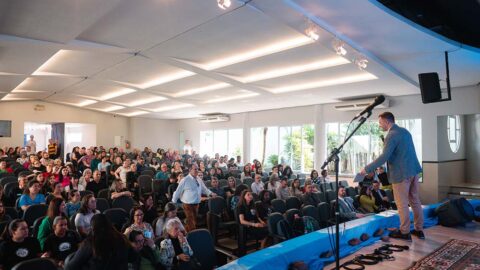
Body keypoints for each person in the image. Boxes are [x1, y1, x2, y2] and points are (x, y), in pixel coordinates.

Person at [361, 112, 424, 240]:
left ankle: (405, 232)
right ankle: (419, 230)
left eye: (380, 122)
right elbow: (402, 153)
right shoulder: (405, 131)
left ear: (386, 121)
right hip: (413, 171)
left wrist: (366, 169)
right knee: (415, 201)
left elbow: (384, 157)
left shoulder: (391, 135)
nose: (379, 125)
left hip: (401, 174)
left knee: (402, 203)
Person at [64, 214, 135, 270]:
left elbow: (71, 266)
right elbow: (133, 257)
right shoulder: (122, 238)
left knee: (69, 260)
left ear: (93, 228)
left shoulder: (90, 242)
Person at [171, 166, 216, 232]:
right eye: (195, 169)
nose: (196, 170)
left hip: (196, 204)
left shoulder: (198, 179)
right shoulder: (185, 180)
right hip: (187, 204)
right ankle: (193, 238)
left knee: (192, 222)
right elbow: (178, 191)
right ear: (190, 170)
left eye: (197, 169)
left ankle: (186, 234)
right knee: (191, 223)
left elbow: (204, 189)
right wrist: (173, 202)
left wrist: (211, 193)